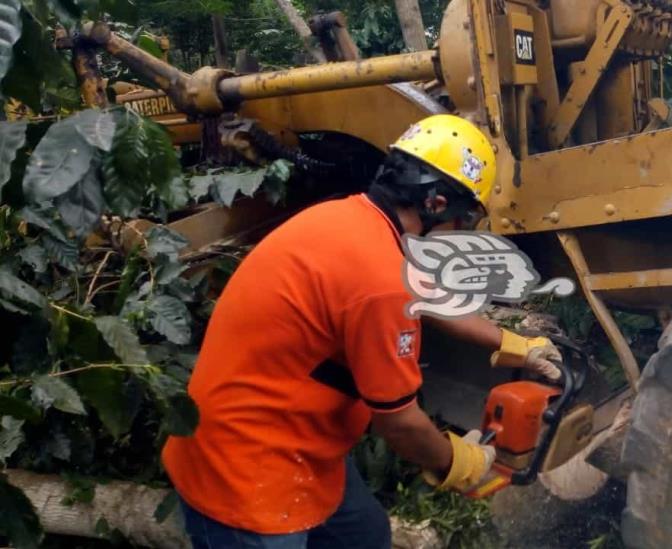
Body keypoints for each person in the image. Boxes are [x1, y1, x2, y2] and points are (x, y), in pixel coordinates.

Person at [162, 114, 562, 549]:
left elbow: (424, 296)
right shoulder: (378, 275)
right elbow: (400, 424)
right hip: (247, 471)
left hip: (305, 441)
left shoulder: (355, 221)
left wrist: (511, 343)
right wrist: (461, 462)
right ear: (437, 206)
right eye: (464, 222)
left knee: (365, 534)